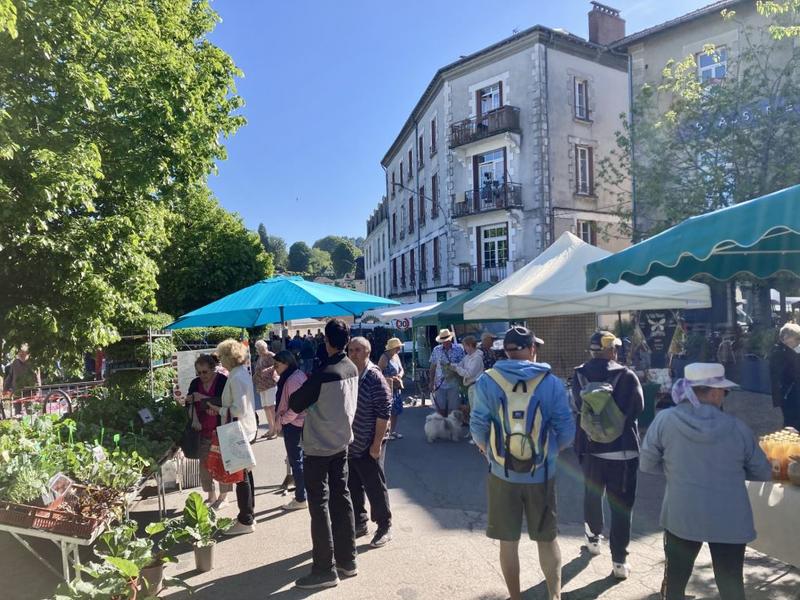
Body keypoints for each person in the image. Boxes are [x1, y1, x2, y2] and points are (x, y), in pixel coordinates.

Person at [641, 363, 772, 600]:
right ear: (713, 392)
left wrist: (676, 469)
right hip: (730, 519)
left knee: (675, 584)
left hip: (681, 514)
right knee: (731, 584)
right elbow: (762, 471)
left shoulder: (664, 421)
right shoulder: (737, 428)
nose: (724, 395)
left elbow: (647, 464)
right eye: (724, 391)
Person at [470, 327, 575, 600]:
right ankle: (554, 596)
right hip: (542, 474)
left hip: (502, 473)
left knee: (508, 542)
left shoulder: (487, 381)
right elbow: (567, 431)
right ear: (532, 349)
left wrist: (491, 453)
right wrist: (548, 453)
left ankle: (516, 597)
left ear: (506, 350)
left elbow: (478, 426)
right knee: (547, 540)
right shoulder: (550, 382)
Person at [289, 319, 359, 589]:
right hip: (341, 443)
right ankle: (347, 560)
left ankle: (324, 569)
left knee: (319, 505)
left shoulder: (323, 373)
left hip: (318, 446)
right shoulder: (351, 367)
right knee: (342, 499)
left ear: (326, 341)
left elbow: (296, 404)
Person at [571, 331, 644, 580]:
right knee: (622, 506)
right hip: (622, 451)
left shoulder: (579, 374)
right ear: (612, 350)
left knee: (592, 495)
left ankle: (592, 539)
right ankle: (619, 562)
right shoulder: (626, 375)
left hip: (590, 448)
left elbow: (578, 407)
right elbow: (637, 409)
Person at [345, 337, 393, 547]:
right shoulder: (351, 374)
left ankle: (384, 526)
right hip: (352, 442)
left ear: (368, 352)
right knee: (353, 485)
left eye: (358, 350)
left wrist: (376, 445)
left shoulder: (374, 376)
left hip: (370, 443)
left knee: (375, 486)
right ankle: (360, 522)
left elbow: (384, 414)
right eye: (351, 350)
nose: (353, 353)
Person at [214, 339, 259, 536]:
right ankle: (248, 515)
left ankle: (246, 519)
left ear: (228, 357)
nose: (219, 360)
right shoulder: (240, 374)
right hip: (244, 429)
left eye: (221, 356)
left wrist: (219, 409)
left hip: (238, 430)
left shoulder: (236, 377)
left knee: (241, 477)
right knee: (245, 474)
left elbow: (238, 409)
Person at [186, 355, 230, 508]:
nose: (202, 376)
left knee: (222, 464)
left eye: (205, 372)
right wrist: (195, 419)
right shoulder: (195, 383)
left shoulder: (222, 381)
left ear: (213, 369)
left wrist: (204, 398)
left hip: (221, 429)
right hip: (203, 430)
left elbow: (225, 402)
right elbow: (189, 402)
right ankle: (211, 495)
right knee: (204, 465)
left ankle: (223, 497)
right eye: (199, 373)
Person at [274, 350, 309, 511]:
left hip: (294, 424)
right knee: (299, 460)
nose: (275, 368)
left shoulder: (292, 380)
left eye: (277, 364)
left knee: (297, 462)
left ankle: (301, 498)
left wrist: (282, 420)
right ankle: (303, 494)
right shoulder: (294, 375)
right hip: (299, 423)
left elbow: (296, 406)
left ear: (286, 363)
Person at [769, 322, 800, 430]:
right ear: (787, 338)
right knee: (792, 423)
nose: (798, 342)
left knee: (791, 422)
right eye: (796, 339)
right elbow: (790, 373)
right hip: (789, 395)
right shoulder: (781, 352)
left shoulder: (783, 351)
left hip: (788, 394)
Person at [428, 329, 465, 416]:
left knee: (453, 409)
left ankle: (452, 427)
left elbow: (464, 365)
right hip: (440, 384)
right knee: (441, 409)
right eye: (443, 341)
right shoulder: (436, 350)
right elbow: (432, 367)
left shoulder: (459, 349)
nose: (445, 343)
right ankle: (442, 427)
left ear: (450, 339)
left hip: (454, 383)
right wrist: (431, 381)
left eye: (446, 341)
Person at [378, 338, 405, 440]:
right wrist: (388, 379)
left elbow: (402, 369)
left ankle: (392, 431)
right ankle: (385, 432)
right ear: (392, 348)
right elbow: (378, 373)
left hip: (396, 388)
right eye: (397, 347)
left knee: (395, 411)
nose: (399, 349)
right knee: (387, 412)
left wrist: (399, 376)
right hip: (387, 389)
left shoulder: (396, 356)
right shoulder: (384, 357)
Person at [253, 340, 279, 440]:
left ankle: (275, 430)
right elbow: (258, 370)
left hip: (270, 384)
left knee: (271, 408)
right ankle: (271, 428)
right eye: (257, 349)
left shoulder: (271, 355)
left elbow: (277, 365)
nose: (258, 350)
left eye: (259, 348)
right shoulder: (260, 357)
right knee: (266, 408)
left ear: (264, 347)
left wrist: (267, 370)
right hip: (261, 386)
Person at [453, 335, 484, 410]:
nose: (464, 348)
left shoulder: (477, 358)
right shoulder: (467, 357)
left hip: (476, 387)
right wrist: (452, 365)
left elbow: (469, 374)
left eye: (465, 346)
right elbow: (460, 364)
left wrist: (456, 368)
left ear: (470, 345)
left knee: (475, 410)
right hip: (469, 387)